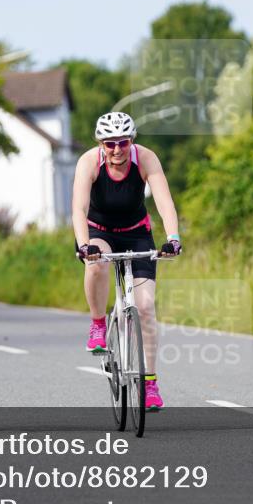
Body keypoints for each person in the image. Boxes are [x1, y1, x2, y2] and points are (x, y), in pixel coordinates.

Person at [71, 112, 182, 411]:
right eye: (110, 144)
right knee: (97, 263)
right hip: (99, 233)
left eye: (122, 142)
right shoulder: (88, 162)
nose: (117, 149)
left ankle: (150, 383)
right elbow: (79, 209)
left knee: (145, 307)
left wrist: (173, 237)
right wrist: (84, 245)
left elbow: (164, 201)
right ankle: (97, 323)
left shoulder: (145, 159)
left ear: (131, 141)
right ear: (101, 144)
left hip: (137, 235)